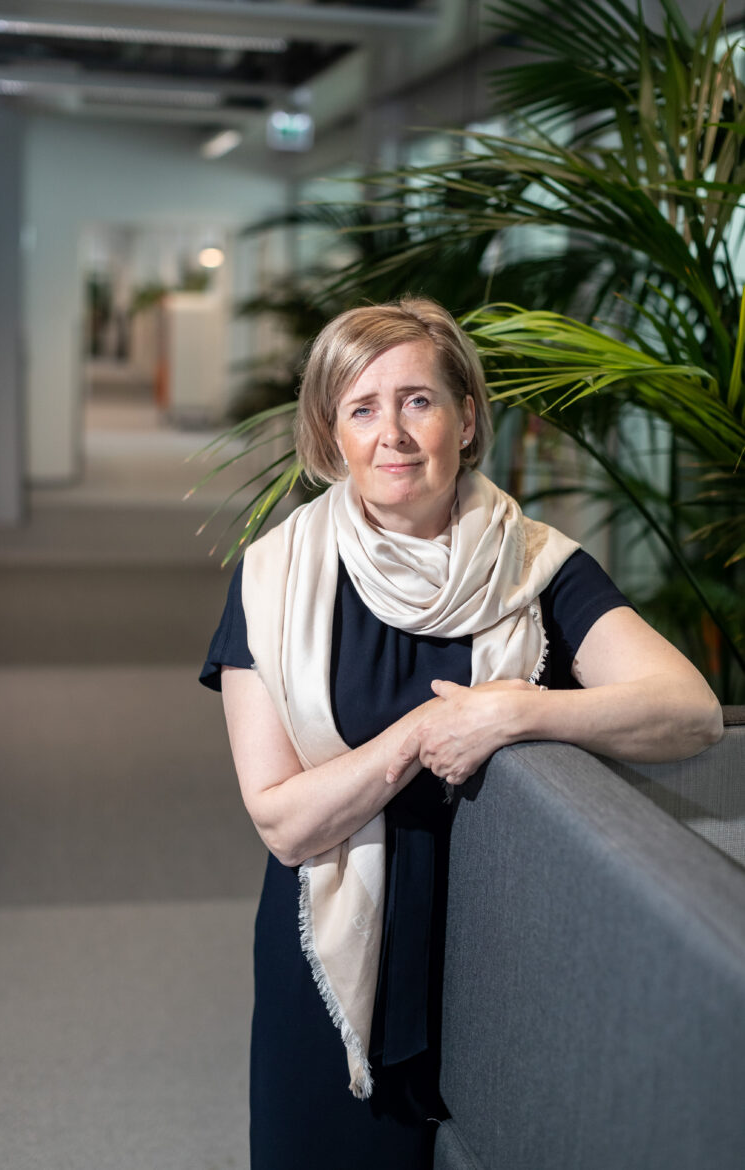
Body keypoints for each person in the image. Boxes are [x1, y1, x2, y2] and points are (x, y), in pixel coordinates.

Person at [199, 297, 721, 1170]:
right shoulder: (272, 579)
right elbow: (283, 821)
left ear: (467, 418)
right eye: (362, 409)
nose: (393, 435)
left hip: (503, 948)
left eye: (418, 401)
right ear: (331, 435)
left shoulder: (538, 567)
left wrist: (517, 710)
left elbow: (689, 710)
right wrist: (421, 733)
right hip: (335, 958)